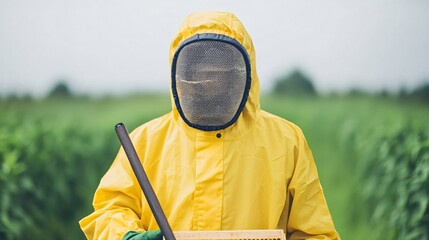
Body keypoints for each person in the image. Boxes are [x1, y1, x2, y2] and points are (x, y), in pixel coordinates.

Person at [79, 11, 340, 240]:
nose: (209, 81)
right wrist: (127, 236)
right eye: (200, 72)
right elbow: (110, 210)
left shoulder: (287, 140)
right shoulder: (143, 141)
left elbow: (316, 232)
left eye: (218, 72)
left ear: (243, 73)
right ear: (181, 74)